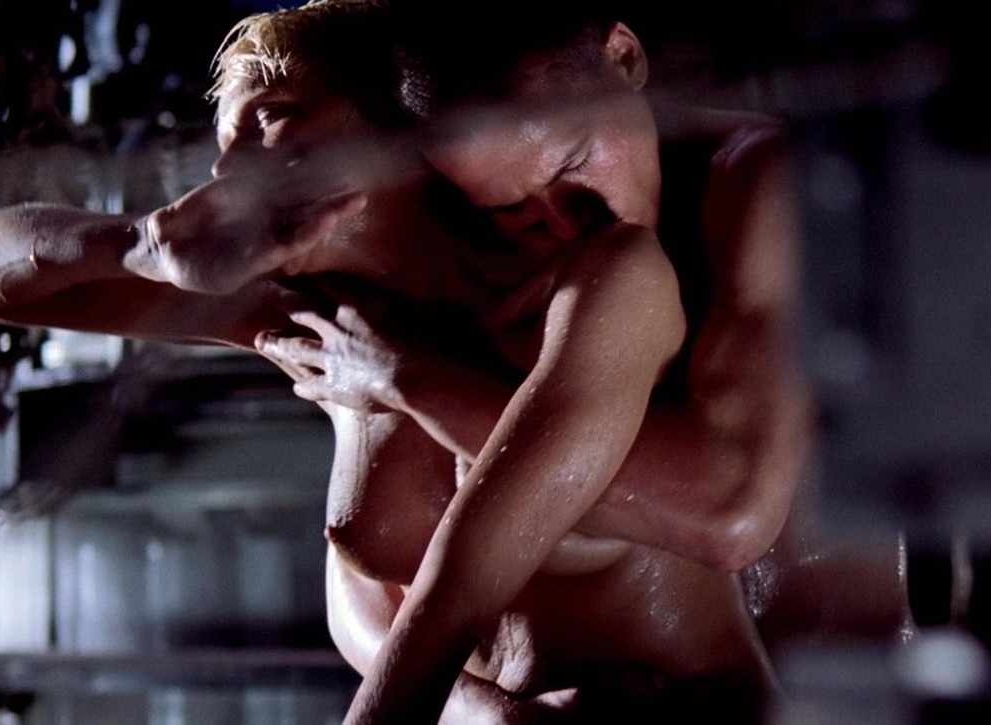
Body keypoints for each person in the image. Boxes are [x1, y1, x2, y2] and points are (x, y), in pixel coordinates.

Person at [0, 2, 866, 721]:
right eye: (228, 147)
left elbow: (720, 515)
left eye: (275, 119)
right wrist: (141, 243)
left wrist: (403, 378)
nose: (234, 173)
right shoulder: (311, 308)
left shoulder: (607, 272)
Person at [250, 3, 907, 722]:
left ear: (624, 57)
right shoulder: (463, 244)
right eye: (508, 207)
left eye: (573, 161)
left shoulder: (765, 183)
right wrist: (483, 710)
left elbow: (730, 515)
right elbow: (371, 589)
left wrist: (411, 380)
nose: (564, 222)